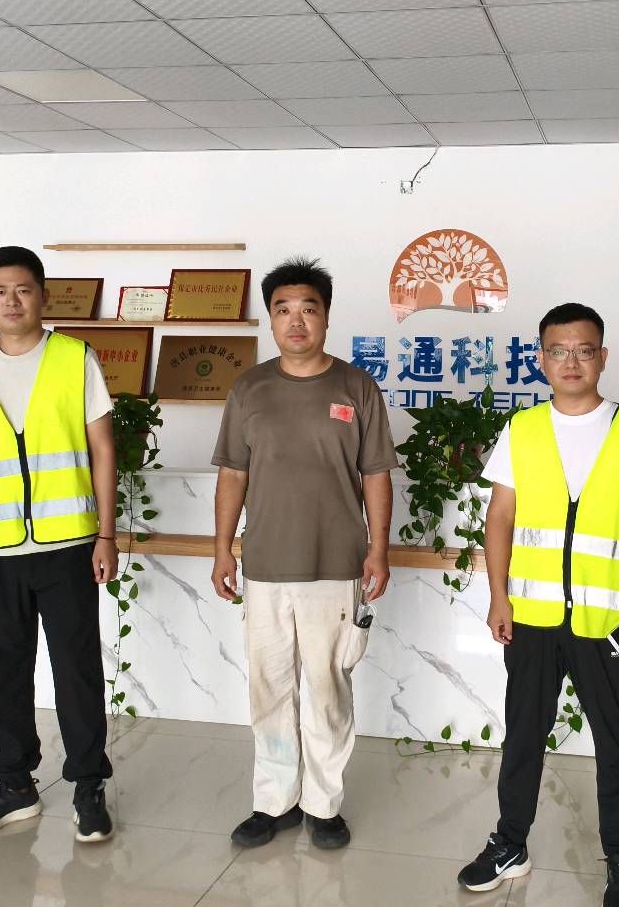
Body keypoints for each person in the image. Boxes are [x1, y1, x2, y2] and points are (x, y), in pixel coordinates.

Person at [457, 303, 619, 907]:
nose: (571, 361)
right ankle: (510, 842)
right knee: (523, 734)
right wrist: (498, 597)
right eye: (558, 351)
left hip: (608, 620)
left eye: (583, 350)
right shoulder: (522, 430)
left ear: (602, 357)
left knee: (615, 741)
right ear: (541, 359)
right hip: (532, 615)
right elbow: (500, 517)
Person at [211, 256, 397, 851]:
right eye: (283, 310)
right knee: (269, 688)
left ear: (326, 317)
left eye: (308, 309)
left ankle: (323, 804)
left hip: (336, 565)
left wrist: (378, 550)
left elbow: (376, 475)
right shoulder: (249, 389)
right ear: (270, 318)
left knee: (326, 688)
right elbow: (232, 474)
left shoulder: (356, 388)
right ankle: (274, 802)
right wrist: (222, 550)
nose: (296, 321)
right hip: (265, 566)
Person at [0, 245, 119, 843]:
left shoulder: (74, 358)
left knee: (77, 671)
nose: (11, 301)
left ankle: (88, 785)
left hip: (67, 547)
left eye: (22, 289)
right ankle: (14, 785)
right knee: (4, 672)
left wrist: (106, 535)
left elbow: (102, 450)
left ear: (42, 295)